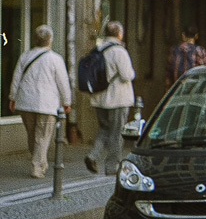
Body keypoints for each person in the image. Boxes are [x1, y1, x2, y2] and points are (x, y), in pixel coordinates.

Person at [8, 25, 71, 179]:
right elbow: (63, 82)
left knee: (32, 135)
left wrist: (12, 97)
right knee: (42, 136)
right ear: (50, 40)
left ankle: (39, 162)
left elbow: (16, 78)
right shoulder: (55, 59)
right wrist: (67, 101)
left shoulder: (25, 56)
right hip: (46, 104)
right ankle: (37, 166)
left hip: (26, 102)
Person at [85, 21, 135, 175]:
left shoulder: (97, 49)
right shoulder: (119, 51)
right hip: (117, 99)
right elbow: (127, 75)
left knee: (103, 129)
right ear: (119, 34)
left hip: (99, 99)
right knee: (117, 133)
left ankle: (92, 156)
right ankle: (112, 166)